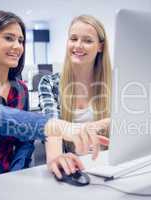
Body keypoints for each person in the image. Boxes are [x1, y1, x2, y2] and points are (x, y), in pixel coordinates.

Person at [0, 10, 109, 186]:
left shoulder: (19, 90)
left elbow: (24, 144)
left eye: (20, 40)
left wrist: (14, 176)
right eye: (9, 38)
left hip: (3, 181)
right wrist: (57, 127)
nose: (17, 46)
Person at [38, 15, 112, 156]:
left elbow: (128, 124)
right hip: (74, 165)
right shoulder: (49, 83)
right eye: (73, 39)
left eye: (88, 40)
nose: (78, 45)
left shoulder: (113, 84)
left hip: (108, 164)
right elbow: (52, 126)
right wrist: (56, 158)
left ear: (100, 47)